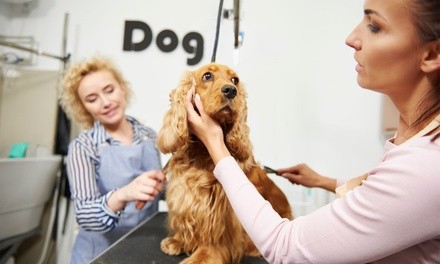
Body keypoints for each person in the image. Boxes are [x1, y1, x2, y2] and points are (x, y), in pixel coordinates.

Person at [185, 0, 440, 263]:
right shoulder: (418, 143)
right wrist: (323, 181)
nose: (351, 38)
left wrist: (216, 144)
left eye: (374, 26)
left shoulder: (427, 165)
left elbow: (285, 248)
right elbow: (387, 198)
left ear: (432, 54)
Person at [60, 56, 166, 264]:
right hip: (100, 255)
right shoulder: (83, 147)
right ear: (83, 107)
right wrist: (124, 194)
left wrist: (170, 184)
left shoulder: (149, 135)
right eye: (92, 99)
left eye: (109, 90)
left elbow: (158, 193)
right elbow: (85, 215)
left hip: (143, 248)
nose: (106, 102)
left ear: (122, 88)